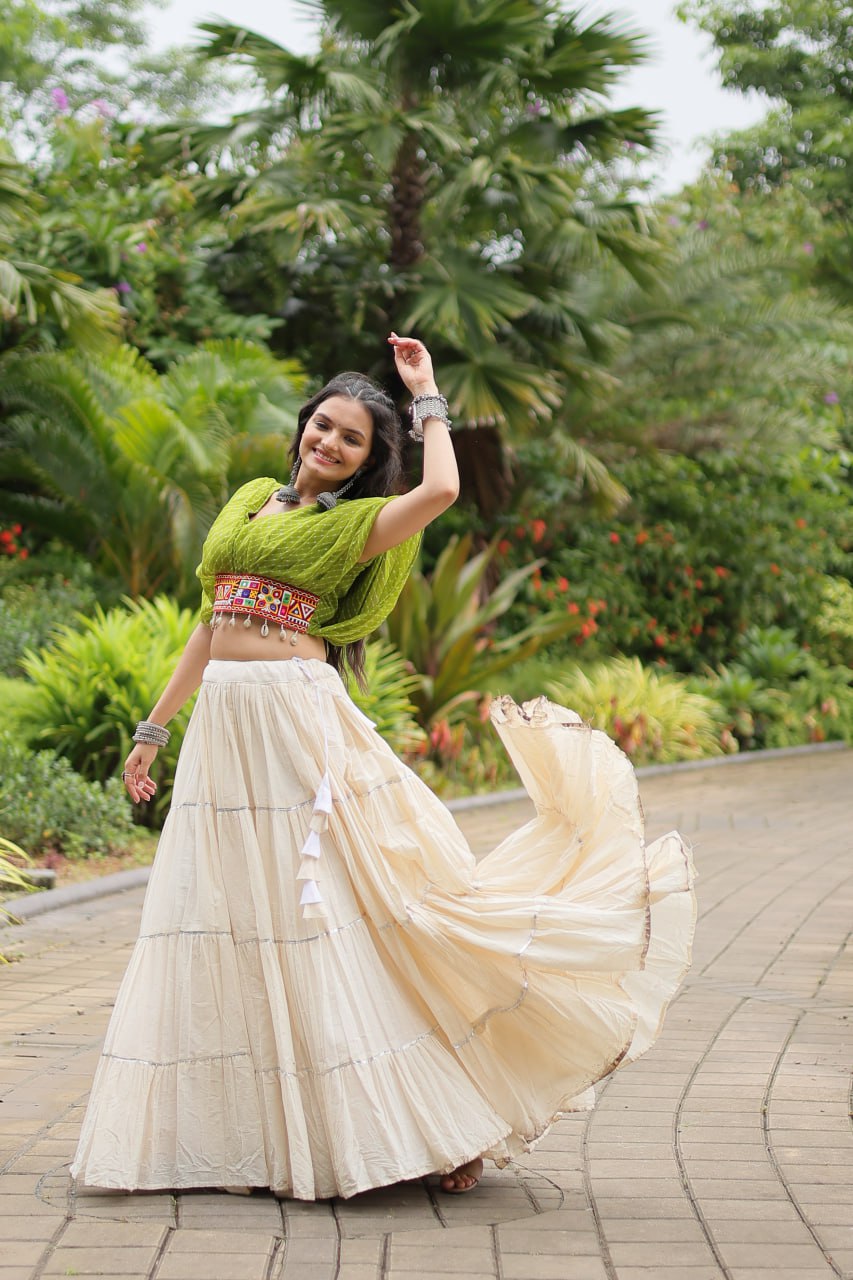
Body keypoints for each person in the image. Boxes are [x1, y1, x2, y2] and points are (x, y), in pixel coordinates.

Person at [70, 334, 696, 1201]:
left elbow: (440, 491)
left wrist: (425, 394)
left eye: (351, 439)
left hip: (295, 724)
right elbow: (210, 624)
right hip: (225, 729)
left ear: (368, 459)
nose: (328, 442)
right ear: (303, 425)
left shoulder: (357, 525)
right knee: (238, 917)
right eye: (322, 425)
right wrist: (153, 728)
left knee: (337, 914)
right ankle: (264, 1137)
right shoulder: (249, 502)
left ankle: (450, 1122)